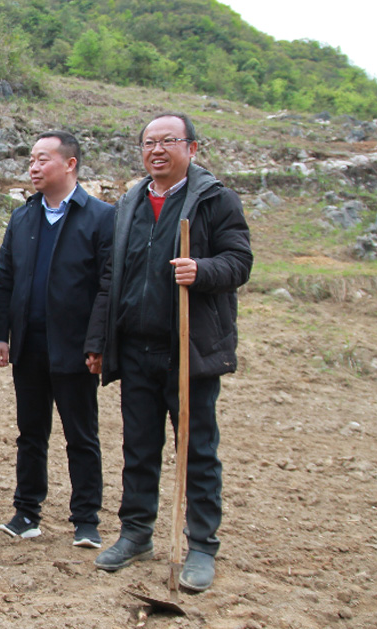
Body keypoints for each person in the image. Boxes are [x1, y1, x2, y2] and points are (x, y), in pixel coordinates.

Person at [84, 113, 252, 591]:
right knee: (138, 449)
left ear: (192, 149)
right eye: (148, 143)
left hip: (189, 349)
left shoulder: (215, 200)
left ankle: (201, 545)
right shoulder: (132, 201)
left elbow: (239, 262)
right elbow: (111, 278)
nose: (156, 150)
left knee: (196, 450)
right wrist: (99, 340)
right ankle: (136, 533)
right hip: (136, 347)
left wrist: (201, 269)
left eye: (168, 141)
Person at [0, 131, 114, 548]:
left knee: (80, 434)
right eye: (31, 160)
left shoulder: (99, 217)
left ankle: (86, 520)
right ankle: (27, 512)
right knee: (31, 432)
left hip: (75, 348)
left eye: (43, 159)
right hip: (28, 345)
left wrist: (97, 343)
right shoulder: (23, 218)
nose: (34, 167)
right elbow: (3, 279)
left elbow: (106, 286)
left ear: (70, 164)